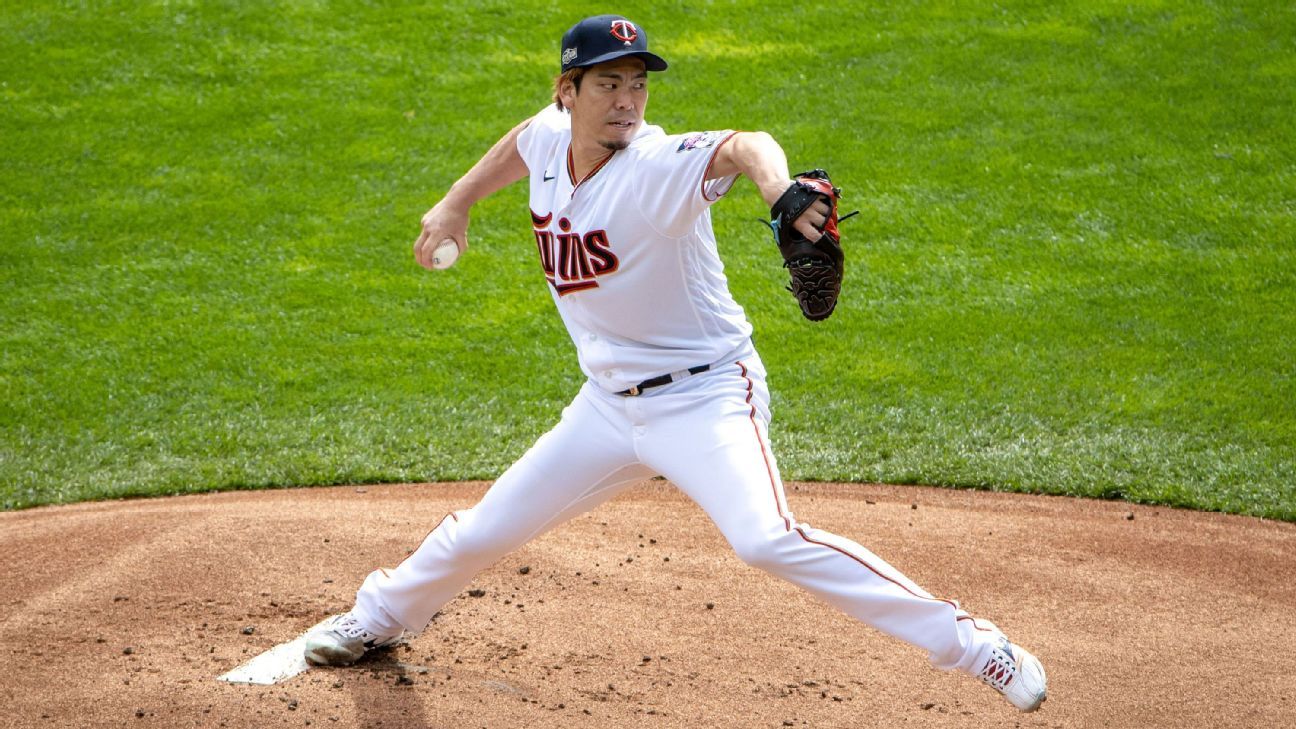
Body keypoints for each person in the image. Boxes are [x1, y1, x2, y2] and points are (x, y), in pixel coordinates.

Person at [304, 14, 1047, 712]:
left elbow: (743, 143)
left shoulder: (655, 164)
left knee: (767, 539)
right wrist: (457, 200)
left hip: (707, 398)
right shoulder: (548, 136)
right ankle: (379, 616)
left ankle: (975, 645)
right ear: (567, 92)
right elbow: (522, 141)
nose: (628, 100)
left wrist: (774, 187)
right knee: (484, 529)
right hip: (604, 406)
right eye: (608, 84)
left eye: (638, 83)